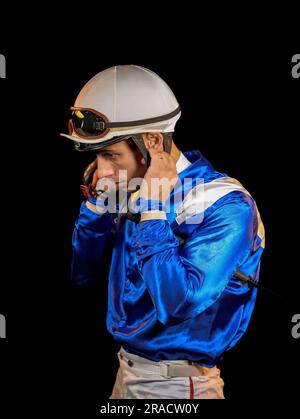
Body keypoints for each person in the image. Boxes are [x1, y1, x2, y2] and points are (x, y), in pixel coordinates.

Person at [61, 65, 265, 399]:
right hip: (125, 374)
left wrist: (152, 211)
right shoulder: (128, 182)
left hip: (179, 387)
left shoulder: (226, 205)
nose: (102, 170)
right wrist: (97, 206)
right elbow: (83, 274)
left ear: (153, 142)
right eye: (98, 155)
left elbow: (176, 305)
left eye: (111, 154)